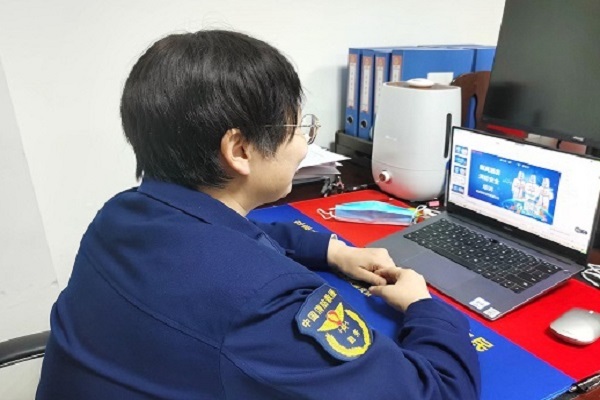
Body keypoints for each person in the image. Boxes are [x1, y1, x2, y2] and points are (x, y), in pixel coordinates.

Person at [36, 29, 480, 399]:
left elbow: (242, 237)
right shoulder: (262, 306)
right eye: (297, 129)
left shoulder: (121, 214)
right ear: (240, 150)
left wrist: (334, 252)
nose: (303, 145)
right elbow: (438, 393)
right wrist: (424, 307)